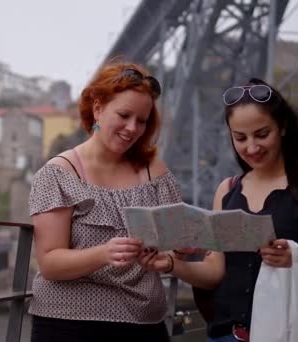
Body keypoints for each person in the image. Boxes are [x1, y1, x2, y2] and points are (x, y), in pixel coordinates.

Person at [172, 78, 298, 341]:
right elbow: (216, 272)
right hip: (226, 335)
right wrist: (170, 264)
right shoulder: (227, 191)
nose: (251, 147)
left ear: (282, 127)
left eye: (262, 134)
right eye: (240, 137)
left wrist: (295, 261)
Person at [28, 61, 200, 342]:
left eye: (142, 121)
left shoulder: (154, 170)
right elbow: (49, 263)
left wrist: (178, 251)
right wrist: (103, 254)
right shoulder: (57, 174)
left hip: (145, 324)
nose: (132, 128)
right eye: (124, 115)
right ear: (97, 108)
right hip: (67, 324)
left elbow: (173, 252)